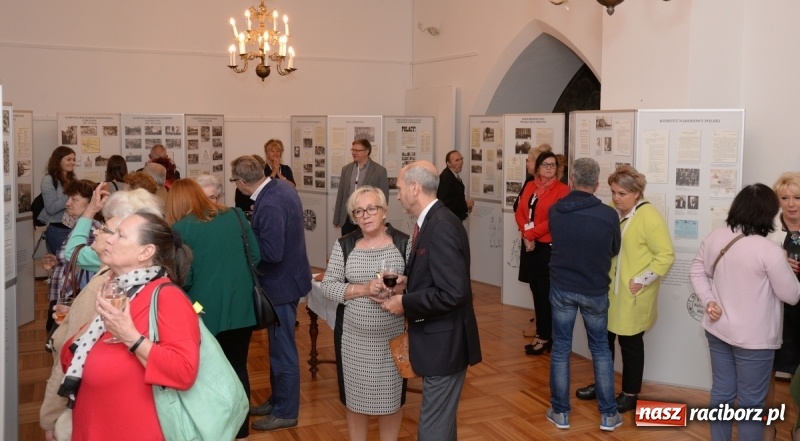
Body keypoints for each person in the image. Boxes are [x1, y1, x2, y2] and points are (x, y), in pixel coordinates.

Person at [58, 212, 198, 441]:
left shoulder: (167, 298)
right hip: (93, 426)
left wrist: (130, 336)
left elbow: (184, 372)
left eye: (121, 236)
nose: (109, 239)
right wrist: (87, 327)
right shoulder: (116, 289)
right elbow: (69, 360)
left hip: (135, 431)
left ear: (145, 252)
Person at [41, 188, 163, 440]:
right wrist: (77, 310)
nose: (97, 231)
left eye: (111, 229)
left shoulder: (107, 284)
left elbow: (70, 354)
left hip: (93, 409)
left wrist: (49, 418)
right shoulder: (153, 279)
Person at [690, 183, 800, 441]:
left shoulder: (716, 236)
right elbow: (792, 295)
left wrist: (709, 300)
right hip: (755, 339)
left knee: (722, 393)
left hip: (718, 329)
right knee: (752, 404)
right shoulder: (769, 251)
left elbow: (696, 270)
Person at [381, 161, 481, 441]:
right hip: (441, 342)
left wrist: (405, 302)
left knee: (433, 429)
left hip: (444, 345)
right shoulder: (435, 221)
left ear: (415, 188)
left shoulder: (440, 226)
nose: (398, 195)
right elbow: (441, 279)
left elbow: (454, 292)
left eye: (400, 189)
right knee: (441, 425)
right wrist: (408, 282)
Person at [575, 166, 675, 413]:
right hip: (607, 290)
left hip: (632, 293)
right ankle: (602, 385)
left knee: (630, 344)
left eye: (622, 193)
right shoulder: (611, 212)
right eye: (613, 192)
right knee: (602, 341)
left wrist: (643, 279)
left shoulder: (649, 216)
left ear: (637, 193)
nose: (616, 198)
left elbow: (665, 255)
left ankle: (630, 393)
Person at [166, 178, 260, 440]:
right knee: (239, 366)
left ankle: (214, 430)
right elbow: (256, 256)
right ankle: (241, 431)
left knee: (207, 373)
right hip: (242, 308)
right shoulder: (236, 215)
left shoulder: (181, 228)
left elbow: (185, 278)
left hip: (202, 312)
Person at [321, 186, 409, 441]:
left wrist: (402, 284)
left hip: (392, 340)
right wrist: (362, 289)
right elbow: (328, 285)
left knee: (391, 403)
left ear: (384, 212)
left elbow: (420, 285)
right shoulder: (345, 245)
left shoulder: (403, 242)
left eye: (372, 208)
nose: (366, 215)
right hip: (353, 341)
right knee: (355, 402)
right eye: (359, 211)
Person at [231, 155, 311, 432]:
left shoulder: (271, 202)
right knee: (279, 349)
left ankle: (286, 411)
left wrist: (246, 245)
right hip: (289, 279)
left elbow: (273, 253)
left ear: (241, 182)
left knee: (283, 352)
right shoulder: (280, 187)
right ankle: (277, 400)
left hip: (280, 286)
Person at [546, 157, 623, 432]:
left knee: (561, 349)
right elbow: (614, 248)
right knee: (601, 350)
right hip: (594, 289)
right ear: (598, 184)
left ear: (572, 181)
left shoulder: (556, 211)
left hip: (562, 287)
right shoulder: (608, 215)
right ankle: (608, 415)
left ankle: (560, 412)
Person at [514, 150, 569, 355]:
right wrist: (526, 235)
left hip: (547, 247)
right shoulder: (530, 185)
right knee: (536, 290)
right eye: (545, 164)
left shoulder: (562, 190)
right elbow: (520, 211)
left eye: (553, 165)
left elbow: (554, 220)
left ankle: (546, 336)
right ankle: (541, 332)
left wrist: (531, 234)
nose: (549, 168)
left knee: (545, 292)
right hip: (530, 245)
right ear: (537, 168)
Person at [765, 172, 800, 440]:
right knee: (767, 370)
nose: (791, 204)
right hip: (774, 310)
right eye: (785, 197)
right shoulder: (767, 229)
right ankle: (767, 425)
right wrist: (777, 266)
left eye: (798, 197)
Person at [44, 179, 102, 333]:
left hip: (71, 297)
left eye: (74, 199)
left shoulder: (91, 229)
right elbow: (76, 259)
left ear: (91, 203)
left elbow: (82, 262)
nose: (67, 203)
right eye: (68, 198)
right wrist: (58, 261)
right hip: (67, 296)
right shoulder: (80, 225)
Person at [333, 139, 389, 236]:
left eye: (357, 150)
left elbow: (384, 199)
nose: (354, 153)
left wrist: (381, 219)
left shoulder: (380, 171)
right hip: (347, 218)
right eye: (353, 150)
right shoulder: (346, 169)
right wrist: (336, 217)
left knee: (366, 247)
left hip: (368, 217)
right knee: (348, 247)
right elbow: (341, 194)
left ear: (367, 152)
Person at [39, 146, 77, 253]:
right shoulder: (48, 180)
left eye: (74, 159)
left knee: (73, 264)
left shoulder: (72, 179)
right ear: (58, 160)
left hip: (73, 228)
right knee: (61, 266)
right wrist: (70, 194)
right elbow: (51, 208)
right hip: (57, 230)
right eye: (68, 159)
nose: (72, 162)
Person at [436, 150, 474, 221]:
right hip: (449, 221)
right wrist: (465, 205)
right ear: (448, 163)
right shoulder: (445, 178)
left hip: (453, 219)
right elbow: (445, 202)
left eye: (461, 159)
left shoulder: (452, 176)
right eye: (456, 160)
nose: (461, 162)